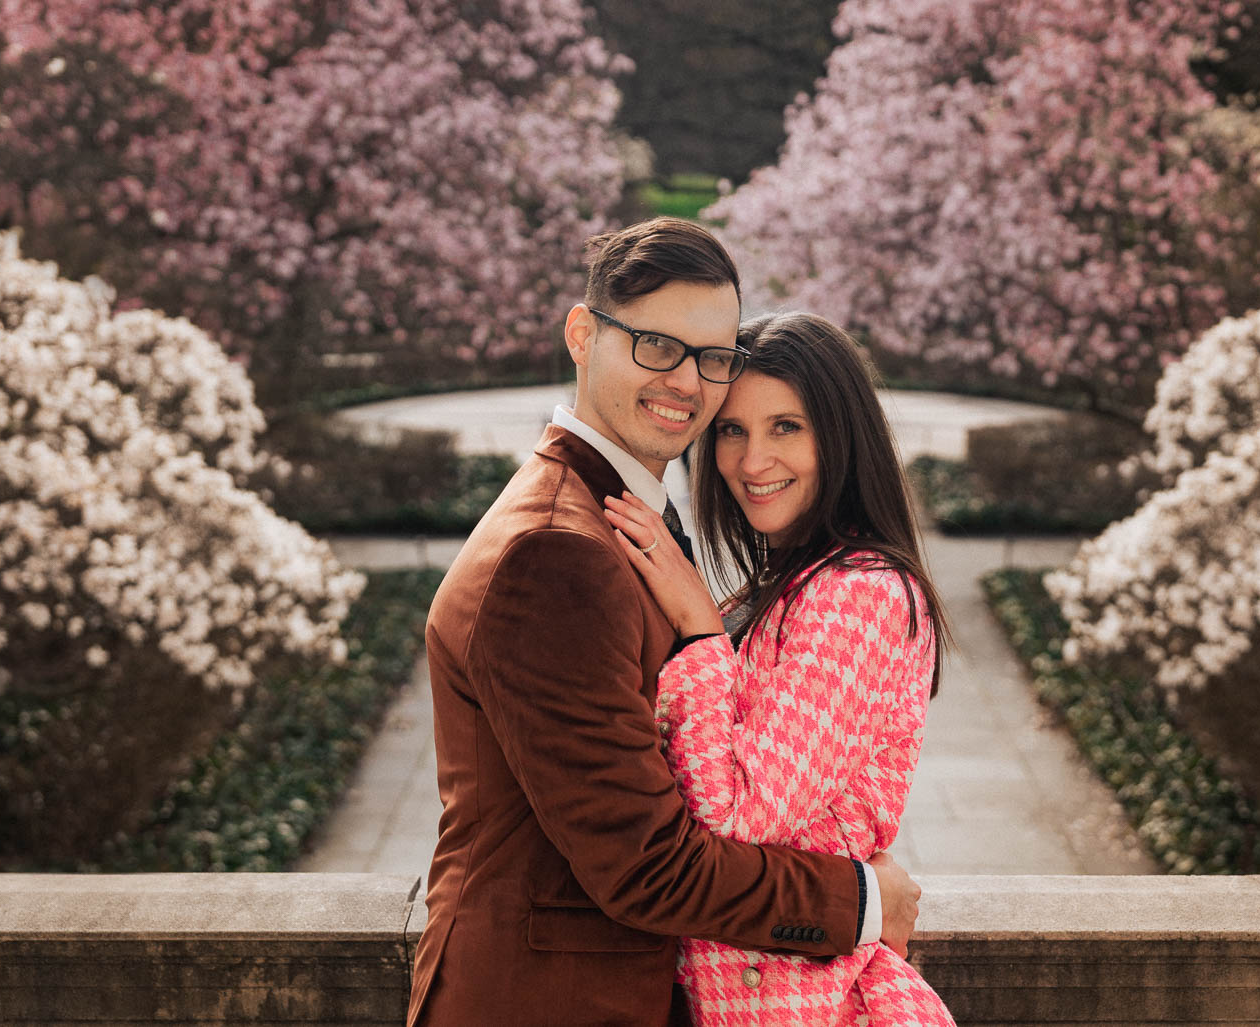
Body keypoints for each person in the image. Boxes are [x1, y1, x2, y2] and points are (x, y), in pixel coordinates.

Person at [406, 219, 922, 1027]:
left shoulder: (619, 518)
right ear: (583, 334)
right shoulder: (554, 551)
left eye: (712, 357)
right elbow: (650, 865)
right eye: (655, 344)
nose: (687, 380)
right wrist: (860, 900)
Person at [603, 311, 957, 1025]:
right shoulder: (783, 586)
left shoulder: (859, 593)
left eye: (785, 427)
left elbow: (737, 820)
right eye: (732, 430)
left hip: (804, 1001)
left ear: (840, 433)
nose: (751, 460)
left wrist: (700, 631)